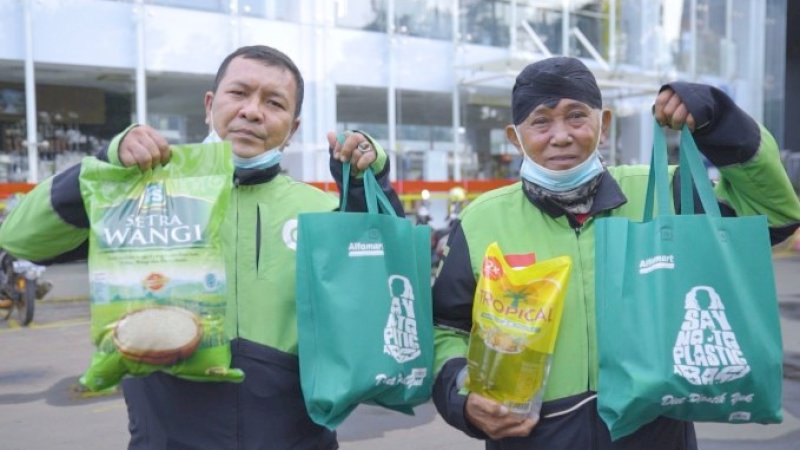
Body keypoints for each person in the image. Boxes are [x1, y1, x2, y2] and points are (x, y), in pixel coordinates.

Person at [0, 45, 403, 449]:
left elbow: (395, 289)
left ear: (293, 127)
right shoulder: (140, 190)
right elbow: (19, 237)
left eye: (274, 102)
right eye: (239, 93)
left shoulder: (323, 209)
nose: (252, 111)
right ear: (209, 105)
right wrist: (105, 165)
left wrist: (372, 185)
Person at [431, 56, 800, 449]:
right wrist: (462, 395)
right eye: (541, 122)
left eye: (576, 116)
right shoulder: (481, 221)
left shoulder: (665, 192)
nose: (561, 136)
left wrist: (722, 124)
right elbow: (447, 328)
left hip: (656, 436)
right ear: (514, 137)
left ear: (603, 125)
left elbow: (774, 215)